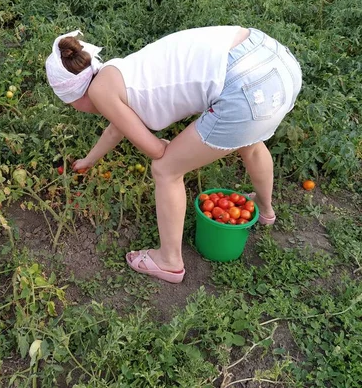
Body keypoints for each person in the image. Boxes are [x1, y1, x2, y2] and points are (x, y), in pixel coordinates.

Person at [45, 26, 302, 283]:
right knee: (251, 142)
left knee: (166, 169)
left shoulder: (100, 92)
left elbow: (157, 150)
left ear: (72, 96)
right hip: (272, 59)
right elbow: (117, 129)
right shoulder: (116, 72)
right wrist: (89, 160)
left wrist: (173, 150)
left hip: (244, 88)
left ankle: (169, 261)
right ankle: (265, 209)